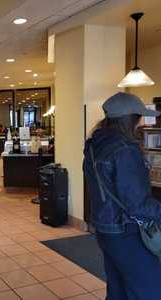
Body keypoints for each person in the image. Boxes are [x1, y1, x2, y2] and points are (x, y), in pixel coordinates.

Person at [83, 92, 161, 300]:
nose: (141, 121)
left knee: (117, 289)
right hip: (126, 231)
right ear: (130, 118)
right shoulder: (125, 149)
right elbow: (138, 205)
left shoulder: (94, 145)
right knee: (150, 290)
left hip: (105, 229)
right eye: (139, 116)